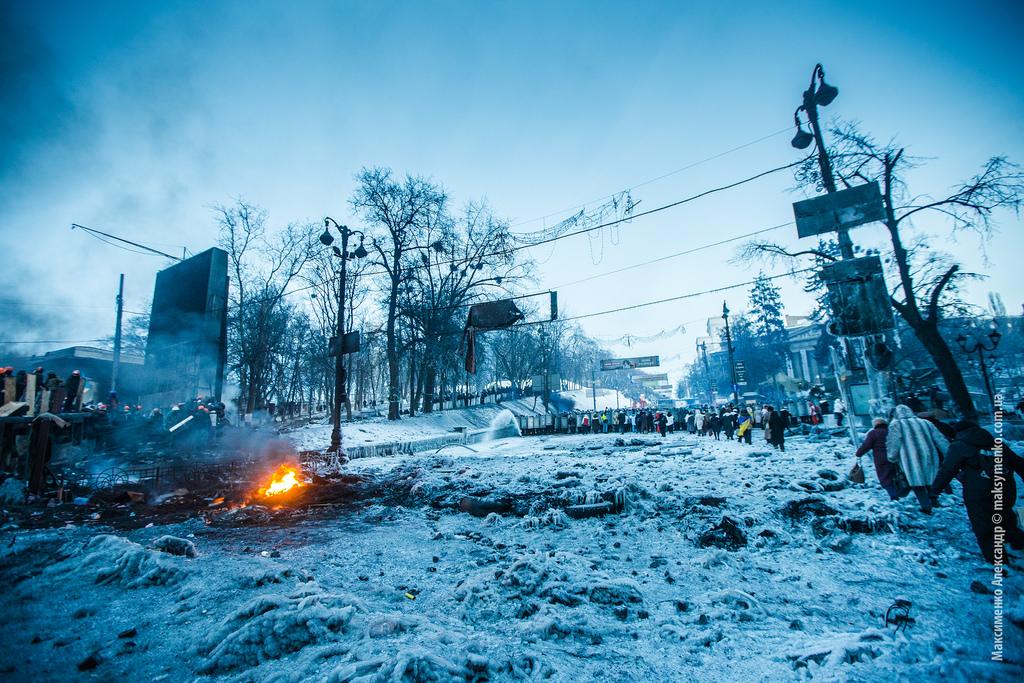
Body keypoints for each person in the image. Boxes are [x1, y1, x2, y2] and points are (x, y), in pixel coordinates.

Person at [930, 422, 1024, 564]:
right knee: (1006, 519)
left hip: (979, 492)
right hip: (1006, 488)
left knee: (984, 527)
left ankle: (1000, 565)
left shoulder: (959, 446)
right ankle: (1019, 547)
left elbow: (947, 471)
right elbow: (1019, 464)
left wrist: (933, 492)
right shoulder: (996, 444)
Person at [886, 404, 949, 514]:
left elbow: (894, 442)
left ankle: (926, 506)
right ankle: (934, 501)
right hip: (929, 455)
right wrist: (948, 453)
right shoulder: (926, 423)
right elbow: (940, 439)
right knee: (930, 479)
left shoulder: (896, 424)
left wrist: (892, 456)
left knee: (916, 481)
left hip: (910, 458)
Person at [855, 418, 898, 499]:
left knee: (885, 477)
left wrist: (858, 453)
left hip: (881, 459)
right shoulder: (891, 431)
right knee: (896, 475)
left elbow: (866, 445)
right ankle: (899, 491)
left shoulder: (873, 433)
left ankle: (893, 496)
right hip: (895, 457)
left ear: (875, 425)